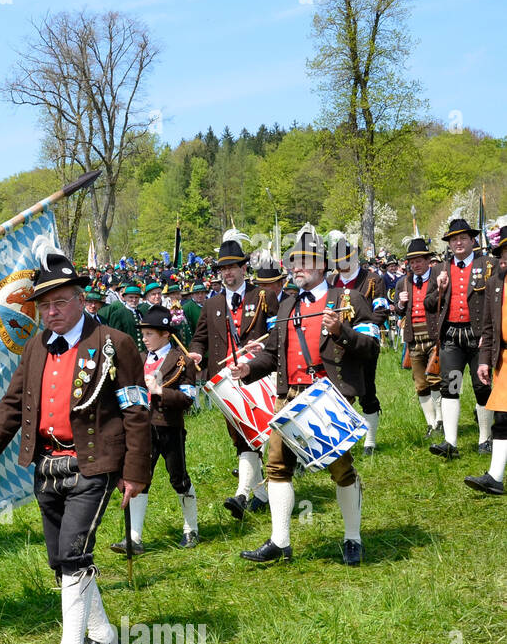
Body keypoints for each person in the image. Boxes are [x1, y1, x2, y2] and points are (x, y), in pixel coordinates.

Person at [0, 250, 150, 644]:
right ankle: (105, 634)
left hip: (95, 461)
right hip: (46, 464)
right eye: (44, 306)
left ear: (80, 299)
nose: (51, 312)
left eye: (60, 303)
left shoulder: (114, 344)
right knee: (63, 559)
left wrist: (135, 474)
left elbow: (137, 412)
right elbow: (15, 402)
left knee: (73, 550)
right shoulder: (35, 347)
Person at [232, 226, 380, 566]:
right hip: (287, 397)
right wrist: (248, 370)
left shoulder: (348, 300)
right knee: (277, 467)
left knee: (341, 470)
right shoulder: (287, 304)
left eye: (304, 262)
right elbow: (272, 354)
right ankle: (280, 541)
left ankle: (353, 538)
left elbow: (371, 346)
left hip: (329, 396)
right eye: (293, 262)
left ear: (322, 266)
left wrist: (340, 331)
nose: (296, 268)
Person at [188, 229, 272, 520]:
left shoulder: (263, 295)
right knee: (240, 436)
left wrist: (263, 345)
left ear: (244, 268)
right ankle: (259, 493)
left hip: (259, 375)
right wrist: (197, 352)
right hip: (225, 381)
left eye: (232, 267)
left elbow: (278, 332)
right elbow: (199, 338)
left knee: (260, 434)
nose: (227, 273)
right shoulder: (211, 304)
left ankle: (244, 494)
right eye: (222, 269)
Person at [113, 305, 200, 553]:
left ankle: (190, 529)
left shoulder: (181, 360)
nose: (144, 338)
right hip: (142, 429)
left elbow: (188, 399)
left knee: (179, 479)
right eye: (143, 334)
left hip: (170, 427)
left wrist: (160, 391)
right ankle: (134, 538)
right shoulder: (139, 359)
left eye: (149, 334)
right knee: (139, 479)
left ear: (165, 334)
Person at [427, 218, 494, 457]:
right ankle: (450, 443)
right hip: (452, 339)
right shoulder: (439, 269)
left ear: (472, 240)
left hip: (479, 339)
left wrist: (491, 335)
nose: (458, 242)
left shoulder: (488, 264)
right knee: (451, 386)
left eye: (462, 238)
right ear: (449, 243)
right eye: (453, 239)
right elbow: (428, 303)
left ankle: (485, 439)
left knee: (482, 387)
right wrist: (439, 289)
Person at [328, 233, 387, 455]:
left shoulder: (373, 280)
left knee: (366, 389)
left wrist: (362, 329)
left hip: (363, 342)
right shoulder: (331, 282)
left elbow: (381, 311)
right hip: (336, 343)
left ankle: (370, 442)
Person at [466, 228, 507, 495]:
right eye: (502, 254)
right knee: (502, 419)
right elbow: (489, 328)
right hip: (505, 360)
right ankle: (495, 476)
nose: (503, 260)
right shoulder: (496, 283)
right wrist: (484, 360)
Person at [393, 238, 443, 438]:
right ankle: (431, 423)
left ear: (428, 260)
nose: (416, 265)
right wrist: (400, 304)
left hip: (435, 337)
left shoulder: (437, 278)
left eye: (420, 260)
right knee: (421, 384)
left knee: (437, 379)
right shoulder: (402, 283)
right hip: (413, 339)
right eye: (412, 262)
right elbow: (398, 312)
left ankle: (441, 420)